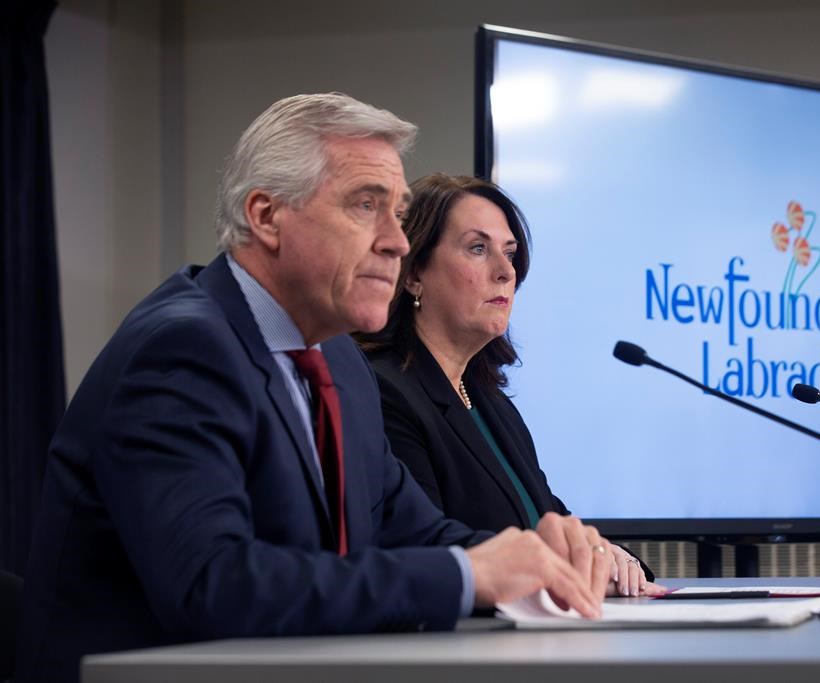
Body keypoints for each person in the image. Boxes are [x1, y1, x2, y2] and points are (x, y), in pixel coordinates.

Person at [15, 94, 616, 683]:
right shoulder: (181, 351)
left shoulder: (337, 362)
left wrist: (534, 559)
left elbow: (418, 531)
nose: (398, 241)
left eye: (398, 212)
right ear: (266, 216)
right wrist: (465, 575)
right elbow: (213, 584)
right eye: (365, 206)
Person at [360, 174, 663, 597]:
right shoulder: (383, 392)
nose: (506, 272)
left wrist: (614, 557)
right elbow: (424, 551)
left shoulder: (492, 404)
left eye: (510, 253)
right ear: (413, 274)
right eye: (478, 248)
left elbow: (555, 523)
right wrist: (566, 569)